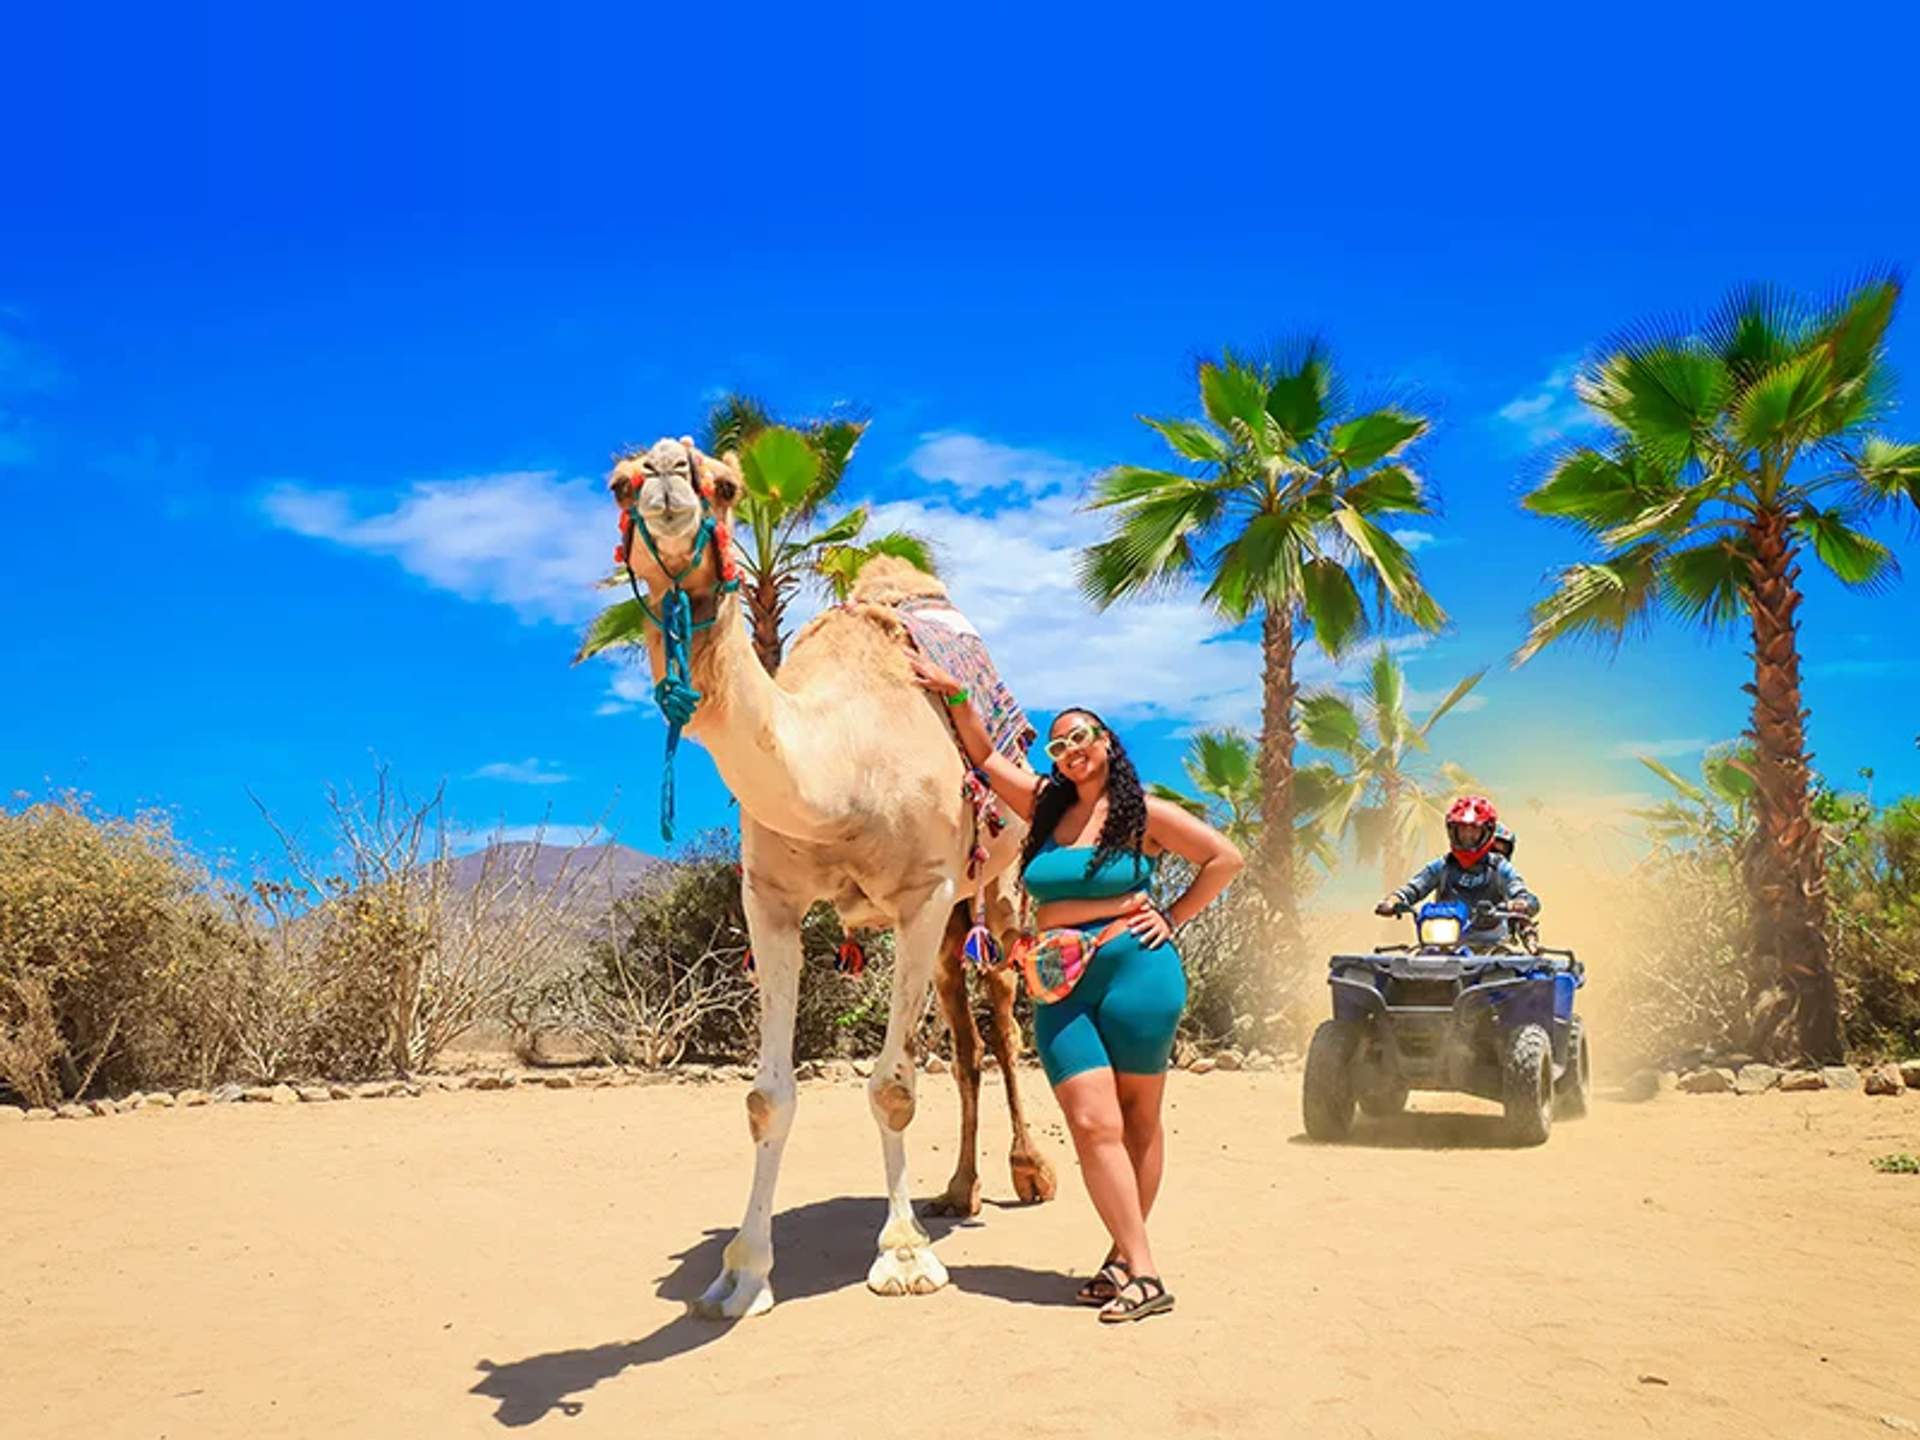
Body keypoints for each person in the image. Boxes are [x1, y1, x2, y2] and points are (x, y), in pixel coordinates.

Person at [908, 652, 1243, 1324]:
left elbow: (1224, 858)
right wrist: (956, 697)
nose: (1068, 751)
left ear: (1107, 744)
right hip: (1058, 981)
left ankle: (1128, 1264)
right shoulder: (1043, 805)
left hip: (1136, 970)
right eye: (1058, 743)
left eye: (1080, 738)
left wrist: (1171, 916)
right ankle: (1140, 1266)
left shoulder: (1140, 812)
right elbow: (982, 756)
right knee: (1093, 1123)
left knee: (1138, 1121)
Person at [1376, 795, 1539, 949]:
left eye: (1474, 830)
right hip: (1443, 944)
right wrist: (1393, 901)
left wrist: (1520, 903)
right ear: (1452, 831)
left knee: (1507, 974)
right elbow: (1414, 888)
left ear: (1487, 833)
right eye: (1462, 830)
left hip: (1493, 945)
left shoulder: (1500, 867)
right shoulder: (1442, 866)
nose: (1467, 836)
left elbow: (1523, 894)